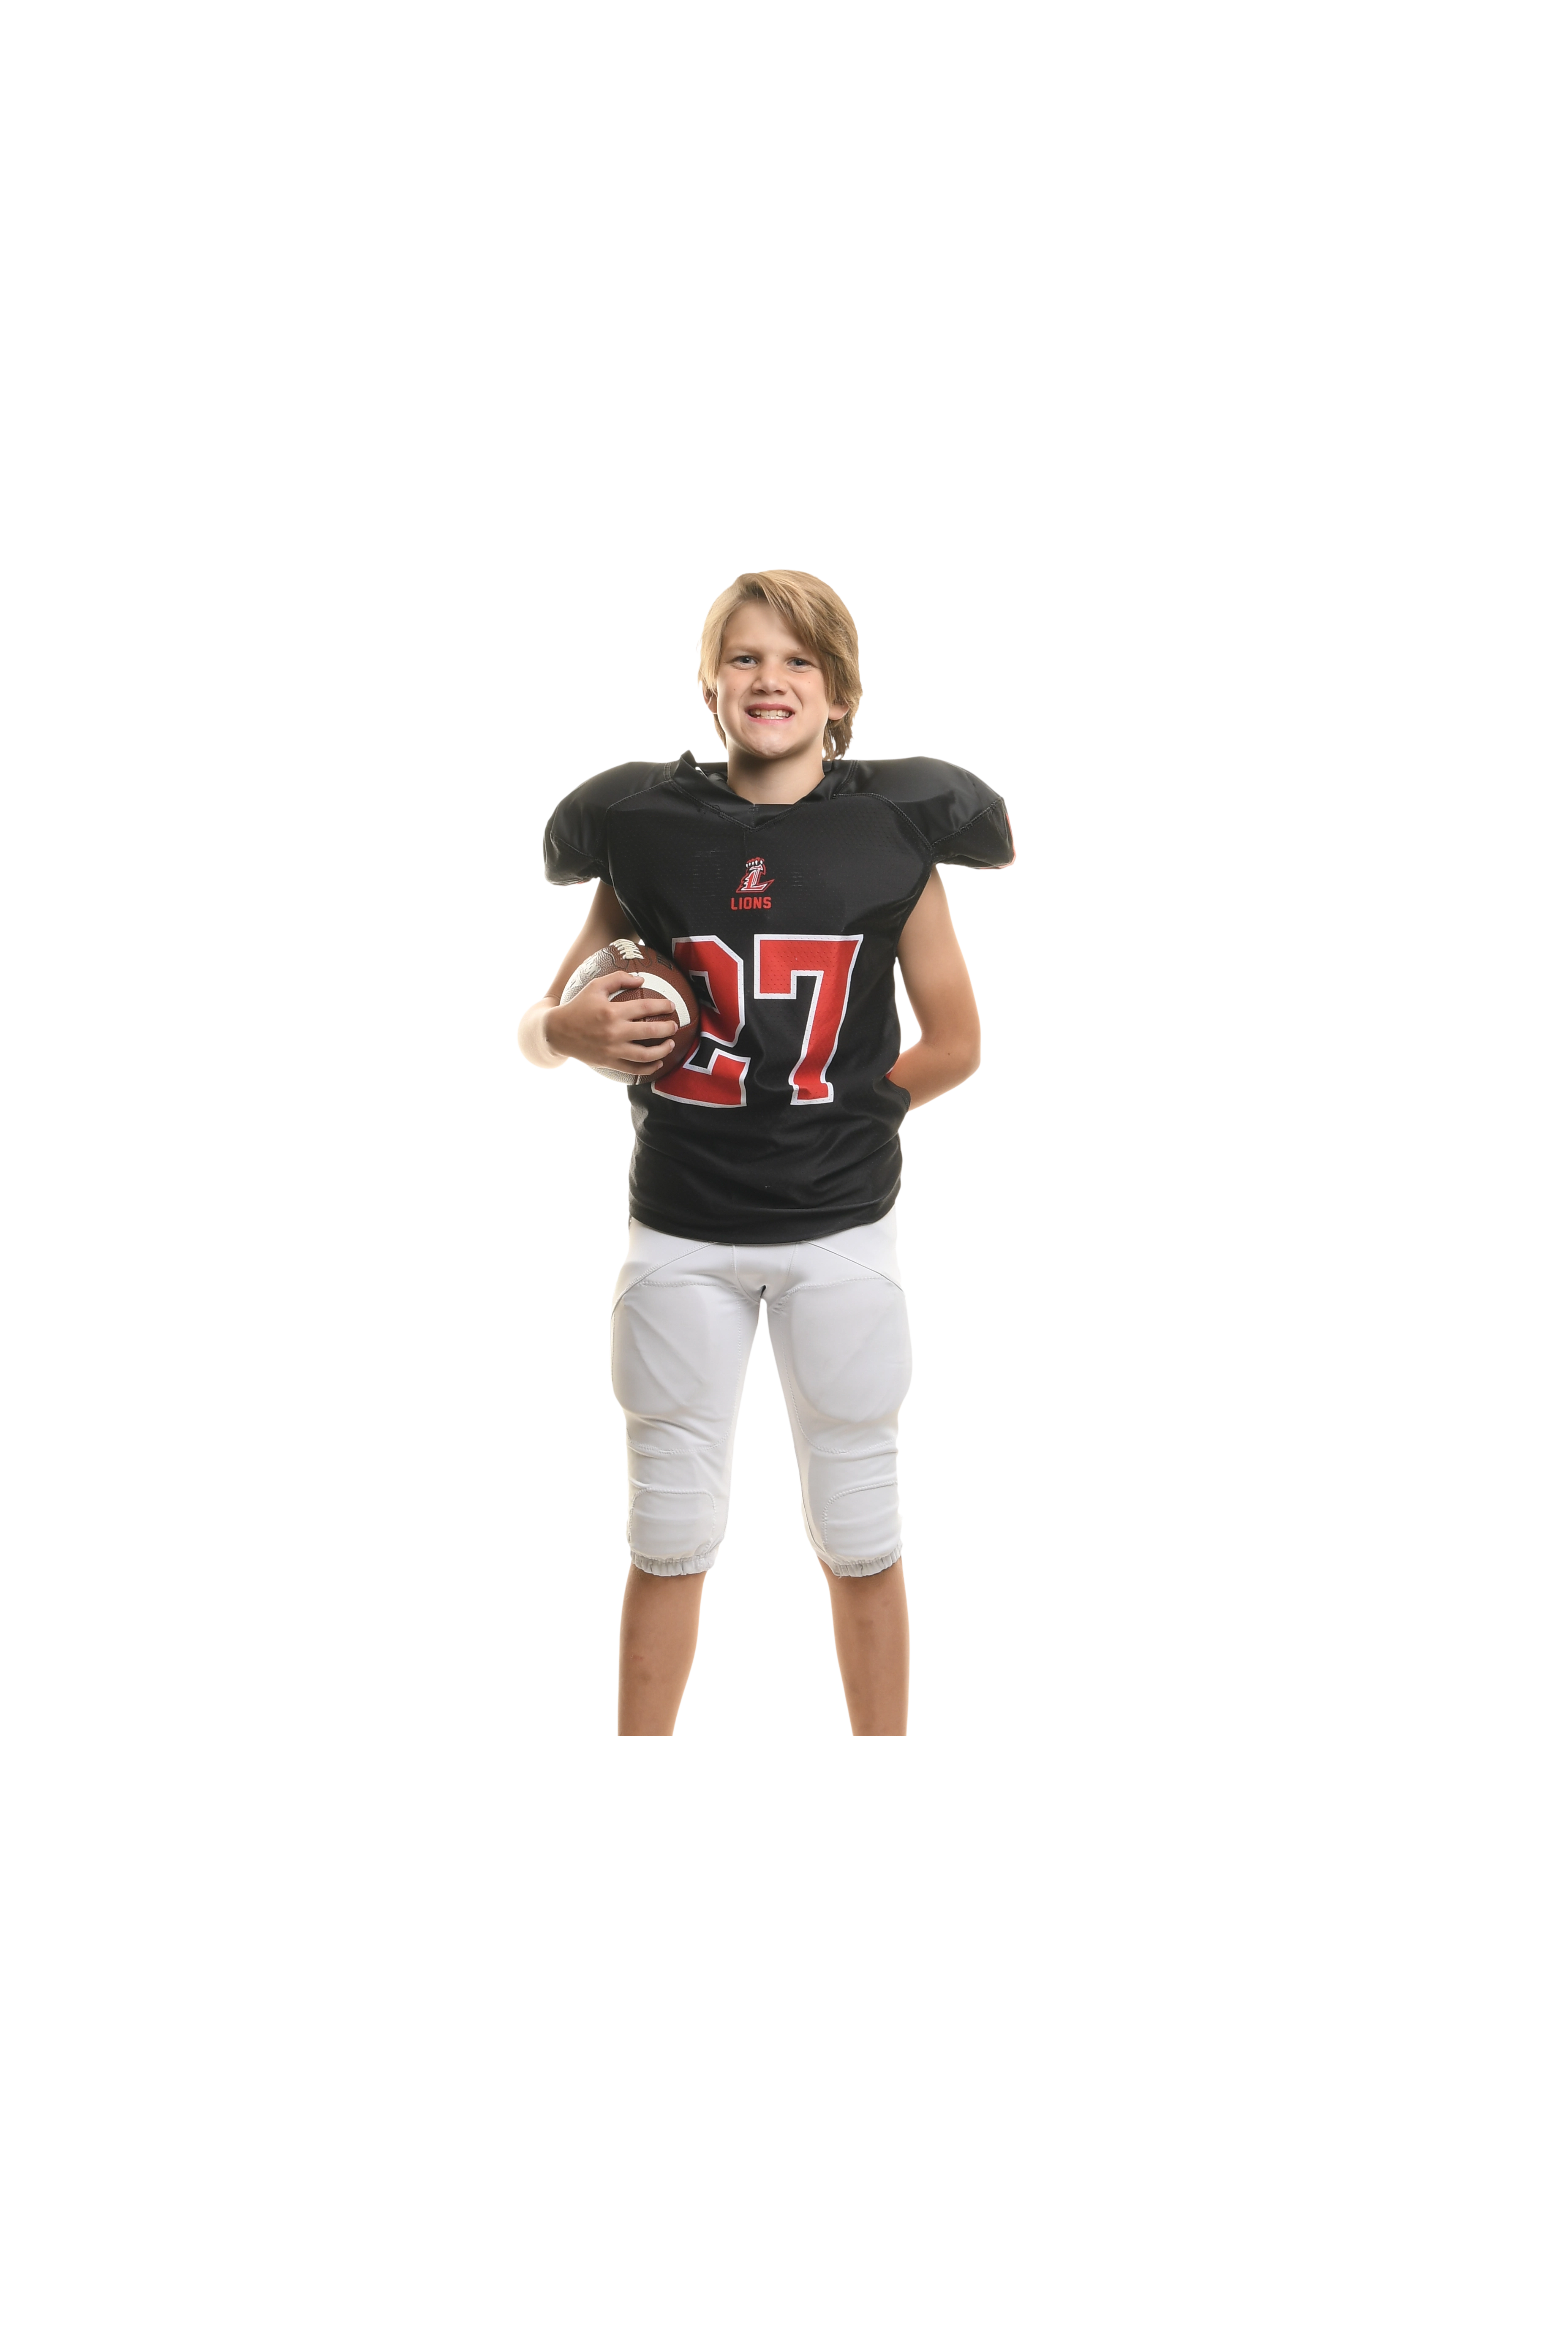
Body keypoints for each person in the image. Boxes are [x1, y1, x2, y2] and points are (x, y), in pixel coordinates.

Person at [517, 571, 1015, 1735]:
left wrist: (848, 1113)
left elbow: (958, 1042)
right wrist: (563, 1032)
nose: (770, 679)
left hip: (840, 1230)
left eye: (799, 661)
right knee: (669, 1531)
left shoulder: (891, 835)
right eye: (743, 656)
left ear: (842, 694)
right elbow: (543, 1021)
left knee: (861, 1527)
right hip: (680, 1232)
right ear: (707, 685)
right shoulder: (645, 830)